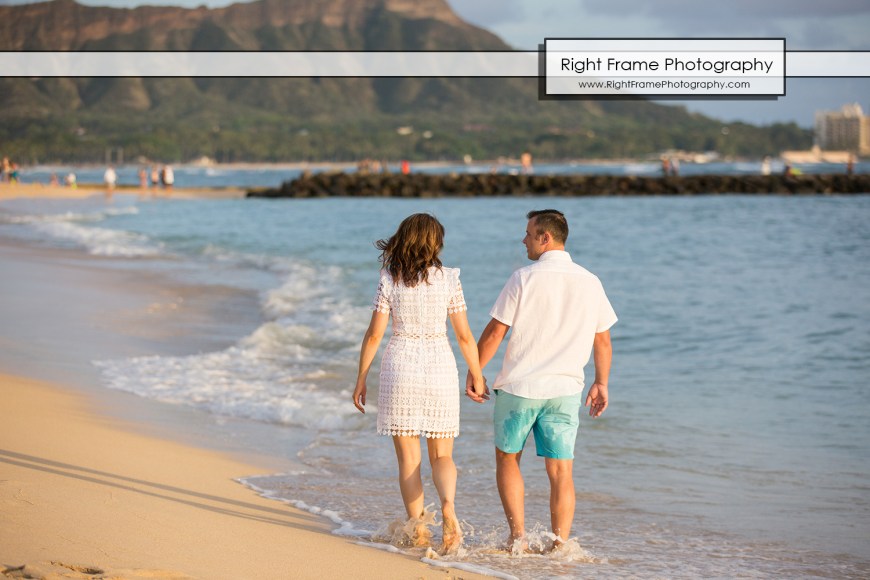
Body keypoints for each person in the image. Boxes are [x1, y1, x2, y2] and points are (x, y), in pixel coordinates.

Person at [466, 209, 617, 553]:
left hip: (520, 388)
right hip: (565, 391)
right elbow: (603, 340)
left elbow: (495, 332)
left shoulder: (523, 278)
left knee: (508, 459)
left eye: (528, 233)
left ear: (545, 237)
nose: (524, 240)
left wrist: (475, 371)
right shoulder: (590, 281)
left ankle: (518, 539)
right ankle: (560, 546)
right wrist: (601, 382)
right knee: (561, 471)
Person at [352, 213, 486, 554]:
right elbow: (464, 336)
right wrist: (477, 374)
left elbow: (374, 334)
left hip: (401, 366)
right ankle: (448, 507)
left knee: (409, 461)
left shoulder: (390, 278)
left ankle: (420, 533)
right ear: (435, 243)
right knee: (442, 455)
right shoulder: (449, 279)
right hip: (440, 366)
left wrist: (361, 377)